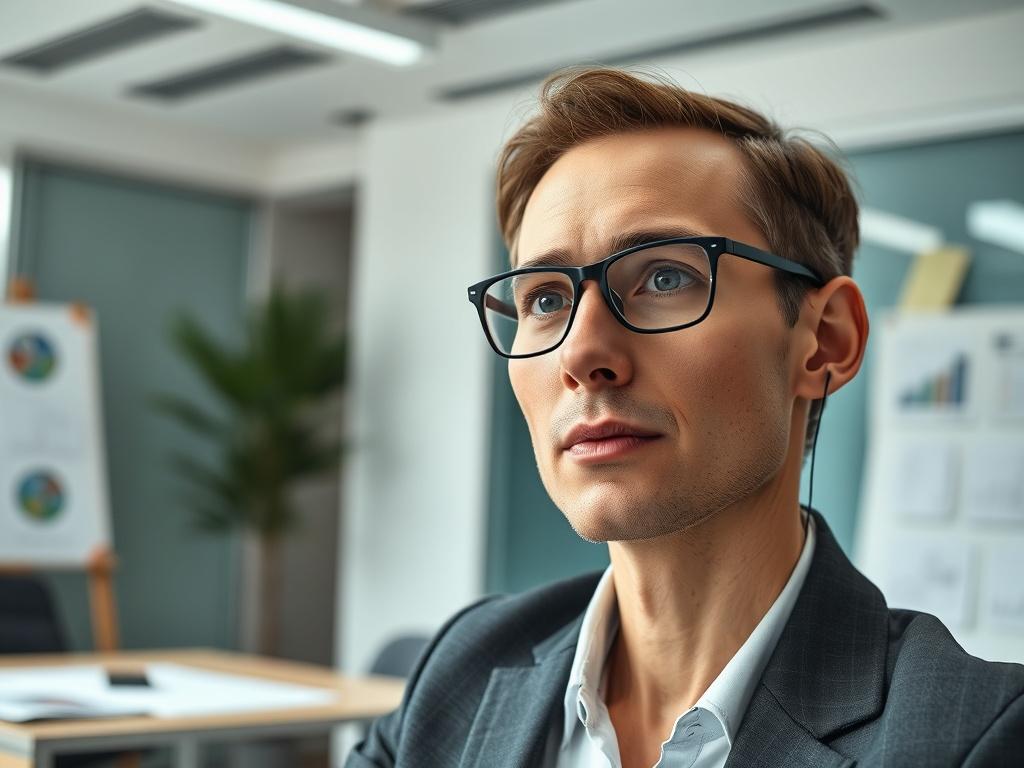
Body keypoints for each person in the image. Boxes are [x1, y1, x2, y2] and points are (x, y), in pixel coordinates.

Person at [346, 68, 1024, 767]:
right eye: (545, 299)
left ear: (826, 341)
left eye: (665, 277)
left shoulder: (973, 736)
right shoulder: (463, 669)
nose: (581, 354)